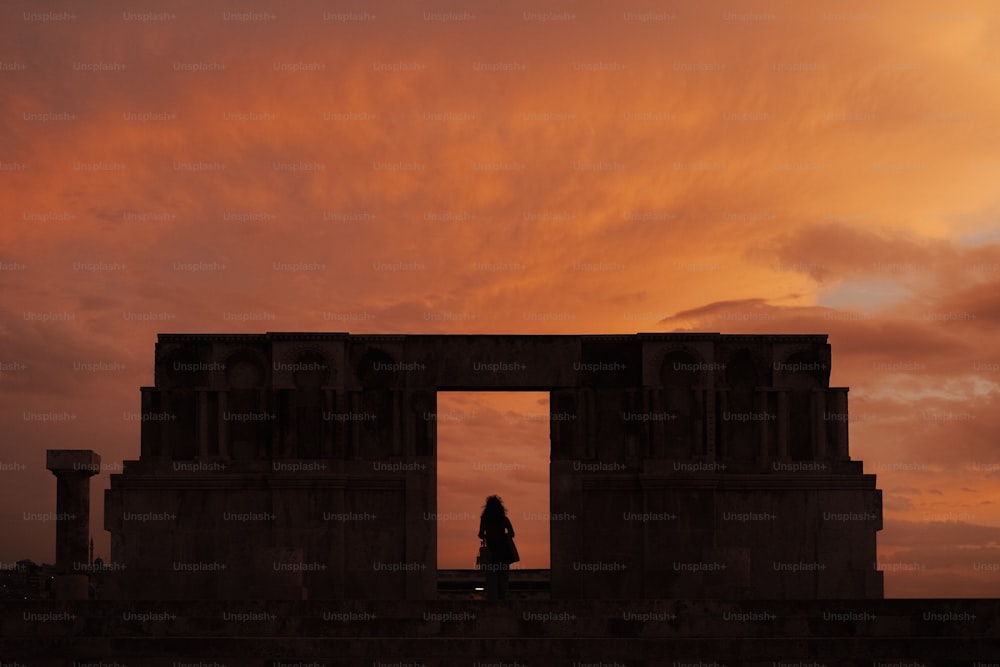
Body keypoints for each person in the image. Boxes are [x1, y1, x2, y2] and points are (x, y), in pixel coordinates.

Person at [478, 495, 516, 600]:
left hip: (491, 550)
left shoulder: (485, 519)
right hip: (504, 550)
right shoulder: (504, 519)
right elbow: (512, 533)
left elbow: (480, 534)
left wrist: (489, 535)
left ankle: (493, 600)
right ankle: (502, 600)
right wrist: (502, 536)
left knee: (492, 578)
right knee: (503, 577)